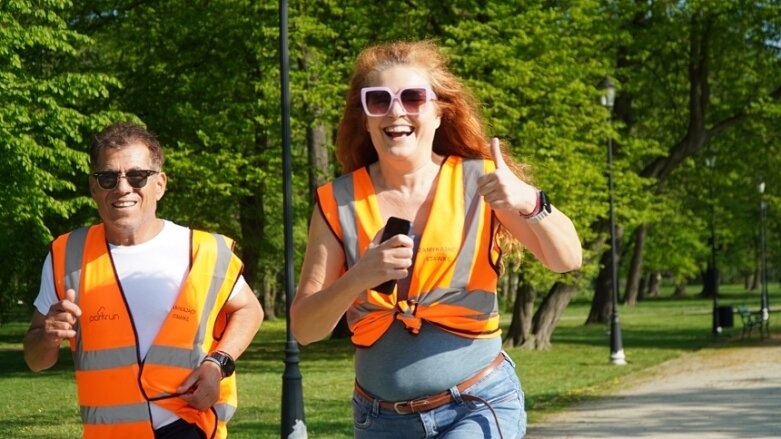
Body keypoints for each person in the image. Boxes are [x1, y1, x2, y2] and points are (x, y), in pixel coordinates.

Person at [290, 40, 582, 439]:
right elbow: (305, 329)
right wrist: (358, 276)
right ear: (365, 117)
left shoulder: (481, 180)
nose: (396, 111)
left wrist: (530, 201)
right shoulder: (336, 200)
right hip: (380, 420)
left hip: (477, 405)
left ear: (440, 111)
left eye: (412, 98)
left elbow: (566, 258)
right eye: (379, 100)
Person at [23, 121, 264, 439]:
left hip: (190, 426)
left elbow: (249, 310)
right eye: (108, 177)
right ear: (94, 187)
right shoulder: (66, 255)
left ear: (160, 184)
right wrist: (49, 336)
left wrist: (218, 363)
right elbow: (35, 360)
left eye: (137, 176)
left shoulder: (203, 251)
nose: (122, 187)